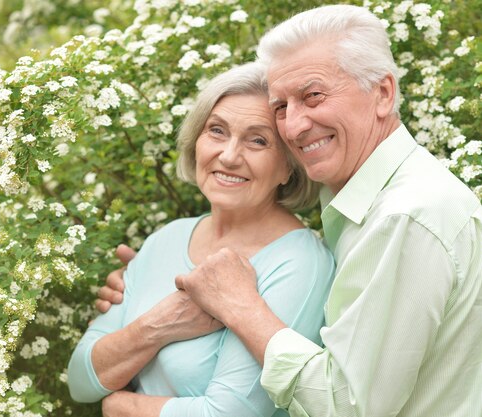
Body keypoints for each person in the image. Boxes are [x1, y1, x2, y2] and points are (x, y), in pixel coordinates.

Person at [97, 4, 482, 417]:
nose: (294, 126)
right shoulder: (359, 204)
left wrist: (242, 306)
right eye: (281, 106)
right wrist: (146, 291)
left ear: (383, 94)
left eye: (313, 96)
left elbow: (346, 407)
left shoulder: (406, 217)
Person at [67, 62, 336, 417]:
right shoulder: (169, 237)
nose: (228, 156)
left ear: (289, 165)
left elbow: (229, 413)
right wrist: (160, 325)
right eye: (217, 131)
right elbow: (81, 381)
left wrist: (122, 406)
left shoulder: (299, 264)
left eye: (258, 140)